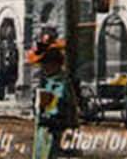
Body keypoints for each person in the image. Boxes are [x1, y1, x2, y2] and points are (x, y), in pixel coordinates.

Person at [28, 28, 76, 159]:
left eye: (45, 63)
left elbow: (56, 110)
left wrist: (45, 113)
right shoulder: (47, 82)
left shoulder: (61, 84)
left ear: (55, 63)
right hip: (45, 138)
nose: (43, 67)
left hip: (57, 137)